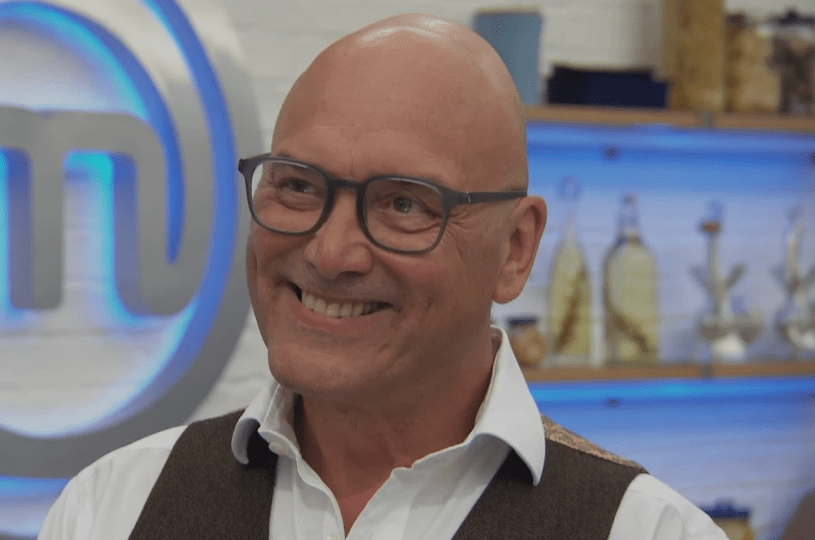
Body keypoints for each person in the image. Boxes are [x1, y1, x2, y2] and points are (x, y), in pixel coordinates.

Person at [38, 13, 729, 540]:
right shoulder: (111, 509)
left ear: (515, 250)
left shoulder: (648, 531)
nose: (330, 253)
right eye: (298, 185)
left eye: (403, 204)